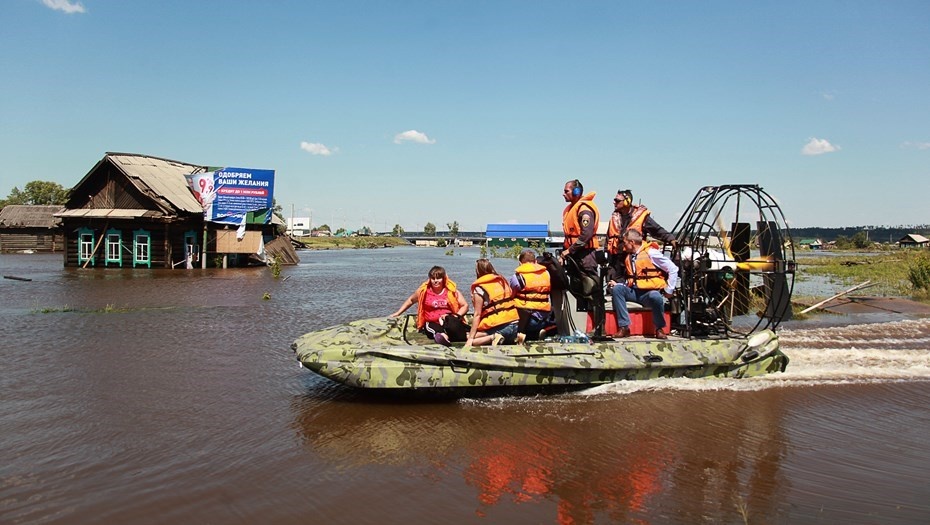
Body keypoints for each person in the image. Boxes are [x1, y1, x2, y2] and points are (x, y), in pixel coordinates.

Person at [607, 229, 679, 339]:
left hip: (649, 292)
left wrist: (669, 290)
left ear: (632, 242)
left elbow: (673, 269)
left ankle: (659, 328)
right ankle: (624, 327)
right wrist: (618, 284)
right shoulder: (630, 256)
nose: (624, 246)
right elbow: (633, 277)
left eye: (625, 242)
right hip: (634, 290)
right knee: (617, 290)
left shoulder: (651, 253)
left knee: (656, 296)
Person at [559, 179, 608, 340]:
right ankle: (580, 326)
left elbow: (586, 234)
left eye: (566, 191)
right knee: (577, 290)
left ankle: (600, 328)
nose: (563, 194)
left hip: (585, 255)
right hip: (574, 256)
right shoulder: (570, 209)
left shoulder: (584, 209)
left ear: (576, 192)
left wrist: (569, 250)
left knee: (592, 291)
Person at [605, 189, 677, 296]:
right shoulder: (614, 218)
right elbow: (609, 238)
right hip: (616, 260)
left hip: (633, 258)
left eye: (617, 200)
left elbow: (657, 230)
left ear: (627, 201)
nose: (614, 202)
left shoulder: (641, 217)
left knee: (630, 285)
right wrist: (606, 254)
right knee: (613, 288)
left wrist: (671, 239)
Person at [390, 266, 469, 346]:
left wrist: (455, 316)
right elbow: (411, 300)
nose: (435, 281)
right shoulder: (423, 292)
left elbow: (465, 305)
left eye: (438, 278)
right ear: (429, 279)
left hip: (448, 320)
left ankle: (462, 336)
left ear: (444, 278)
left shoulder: (452, 291)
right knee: (434, 329)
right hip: (432, 322)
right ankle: (443, 338)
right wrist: (398, 313)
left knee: (455, 327)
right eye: (433, 278)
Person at [467, 258, 519, 346]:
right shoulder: (501, 281)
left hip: (502, 328)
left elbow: (477, 314)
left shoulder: (479, 288)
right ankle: (515, 337)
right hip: (516, 325)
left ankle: (494, 337)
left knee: (471, 340)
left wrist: (471, 338)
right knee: (474, 335)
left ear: (478, 271)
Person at [509, 250, 553, 343]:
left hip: (527, 320)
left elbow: (511, 296)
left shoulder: (518, 277)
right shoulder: (547, 274)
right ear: (536, 261)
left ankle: (520, 333)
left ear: (520, 263)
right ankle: (539, 332)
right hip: (545, 318)